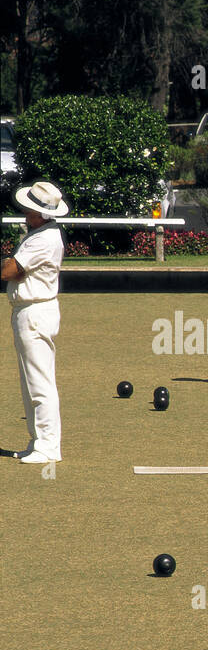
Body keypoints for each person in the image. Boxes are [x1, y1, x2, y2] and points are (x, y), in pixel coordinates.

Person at [3, 180, 69, 464]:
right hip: (29, 310)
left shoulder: (44, 238)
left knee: (39, 382)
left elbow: (9, 270)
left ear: (41, 214)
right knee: (31, 381)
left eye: (29, 210)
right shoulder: (40, 232)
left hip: (35, 312)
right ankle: (37, 441)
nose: (25, 213)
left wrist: (9, 264)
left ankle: (48, 447)